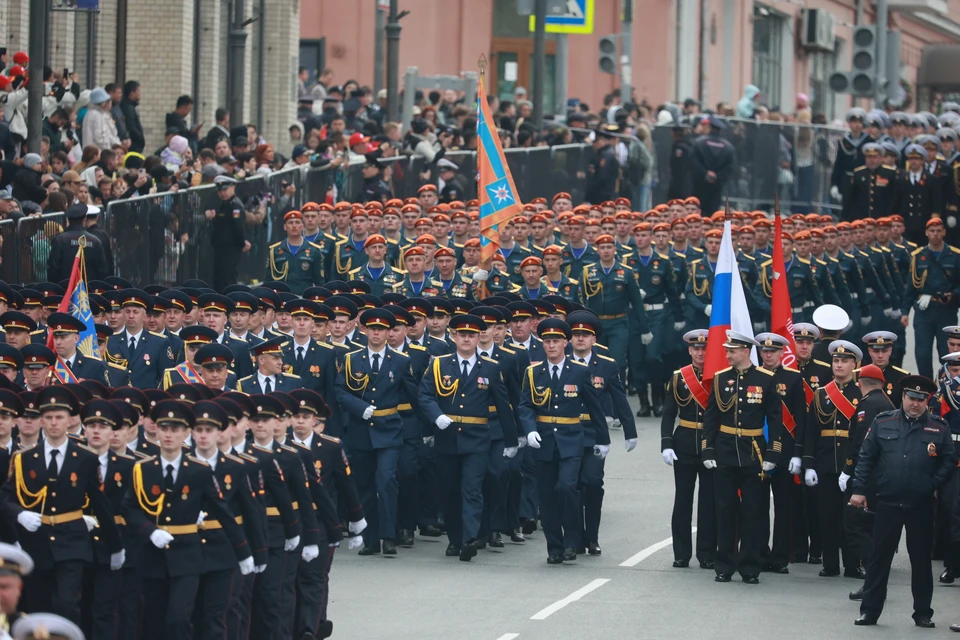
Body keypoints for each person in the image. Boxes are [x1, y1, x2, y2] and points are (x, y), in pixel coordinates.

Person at [123, 399, 254, 640]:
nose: (169, 435)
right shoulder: (142, 469)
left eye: (175, 430)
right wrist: (150, 531)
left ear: (185, 433)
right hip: (153, 555)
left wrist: (243, 551)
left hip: (187, 556)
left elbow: (222, 510)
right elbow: (130, 509)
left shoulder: (199, 470)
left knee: (179, 617)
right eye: (164, 429)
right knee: (153, 620)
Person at [1, 387, 124, 625]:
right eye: (48, 418)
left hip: (72, 543)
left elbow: (100, 505)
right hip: (36, 542)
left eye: (59, 417)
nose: (54, 423)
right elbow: (4, 498)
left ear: (69, 420)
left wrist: (115, 545)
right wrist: (20, 514)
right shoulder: (24, 458)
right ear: (41, 421)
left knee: (67, 603)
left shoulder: (85, 458)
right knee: (38, 605)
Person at [852, 375, 955, 628]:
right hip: (887, 501)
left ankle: (922, 613)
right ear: (903, 397)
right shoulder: (883, 421)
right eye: (911, 398)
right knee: (879, 559)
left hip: (920, 504)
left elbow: (948, 462)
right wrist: (859, 489)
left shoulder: (938, 427)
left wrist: (930, 485)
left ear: (927, 400)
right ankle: (870, 611)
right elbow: (866, 457)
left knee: (920, 561)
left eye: (921, 399)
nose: (915, 404)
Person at [417, 313, 518, 561]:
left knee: (472, 489)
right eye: (462, 334)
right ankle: (454, 538)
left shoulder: (491, 368)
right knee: (449, 490)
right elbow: (425, 395)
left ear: (478, 338)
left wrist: (512, 440)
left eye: (472, 335)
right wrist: (435, 417)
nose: (467, 339)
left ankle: (470, 538)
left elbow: (504, 406)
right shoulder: (439, 364)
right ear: (453, 336)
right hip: (447, 437)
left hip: (477, 438)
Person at [517, 318, 608, 564]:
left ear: (565, 343)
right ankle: (554, 547)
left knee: (567, 488)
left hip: (571, 440)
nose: (552, 345)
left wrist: (603, 440)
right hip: (543, 440)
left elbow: (594, 407)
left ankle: (572, 541)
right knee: (546, 495)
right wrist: (529, 429)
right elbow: (525, 404)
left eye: (556, 341)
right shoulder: (533, 372)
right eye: (547, 341)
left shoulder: (579, 371)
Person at [335, 308, 420, 556]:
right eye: (372, 329)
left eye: (381, 329)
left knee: (386, 481)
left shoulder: (401, 361)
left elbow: (414, 396)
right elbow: (340, 391)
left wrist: (428, 424)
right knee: (364, 485)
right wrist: (360, 408)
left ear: (387, 333)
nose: (376, 333)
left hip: (390, 430)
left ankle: (388, 535)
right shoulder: (352, 359)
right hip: (361, 430)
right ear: (365, 330)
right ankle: (371, 539)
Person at [702, 330, 783, 583]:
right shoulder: (719, 379)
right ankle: (724, 564)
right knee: (724, 511)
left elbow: (776, 419)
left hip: (753, 452)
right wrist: (708, 449)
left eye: (732, 351)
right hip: (725, 451)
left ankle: (750, 566)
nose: (727, 355)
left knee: (753, 512)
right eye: (727, 350)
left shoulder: (766, 379)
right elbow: (711, 418)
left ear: (746, 352)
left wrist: (773, 452)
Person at [566, 310, 637, 555]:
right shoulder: (561, 361)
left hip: (595, 433)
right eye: (575, 334)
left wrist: (630, 431)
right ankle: (573, 539)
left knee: (593, 482)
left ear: (594, 339)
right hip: (567, 431)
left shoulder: (606, 365)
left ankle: (592, 537)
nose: (580, 339)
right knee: (571, 485)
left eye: (586, 335)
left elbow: (619, 398)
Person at [803, 339, 864, 578]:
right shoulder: (821, 394)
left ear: (854, 364)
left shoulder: (860, 393)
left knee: (850, 517)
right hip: (826, 462)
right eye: (836, 361)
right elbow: (811, 431)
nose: (839, 365)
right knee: (826, 516)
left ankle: (852, 564)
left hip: (852, 464)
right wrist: (808, 464)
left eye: (844, 361)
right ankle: (830, 564)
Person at [661, 329, 716, 568]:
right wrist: (666, 443)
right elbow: (669, 413)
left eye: (704, 348)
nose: (700, 352)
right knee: (682, 501)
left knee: (709, 502)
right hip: (683, 443)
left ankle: (706, 553)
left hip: (711, 445)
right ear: (689, 350)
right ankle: (681, 553)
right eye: (696, 348)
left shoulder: (719, 376)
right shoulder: (679, 377)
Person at [841, 363, 895, 602]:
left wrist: (848, 469)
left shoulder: (868, 406)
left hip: (869, 476)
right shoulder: (886, 404)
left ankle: (875, 574)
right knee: (871, 526)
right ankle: (874, 580)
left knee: (855, 524)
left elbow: (861, 444)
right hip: (883, 475)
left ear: (860, 383)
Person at [754, 332, 805, 574]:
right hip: (757, 451)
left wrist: (797, 453)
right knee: (758, 506)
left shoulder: (794, 379)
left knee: (784, 508)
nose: (768, 355)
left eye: (773, 351)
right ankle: (761, 554)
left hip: (784, 452)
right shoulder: (753, 376)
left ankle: (781, 556)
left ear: (782, 352)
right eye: (764, 351)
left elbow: (800, 419)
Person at [900, 217, 960, 380]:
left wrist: (953, 294)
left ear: (944, 232)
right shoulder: (919, 256)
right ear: (926, 233)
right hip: (924, 310)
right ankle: (928, 389)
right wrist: (905, 311)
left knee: (946, 353)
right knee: (923, 354)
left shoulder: (954, 256)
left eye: (938, 231)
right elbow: (911, 286)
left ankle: (949, 386)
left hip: (946, 310)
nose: (935, 234)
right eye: (932, 231)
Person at [204, 176, 251, 293]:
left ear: (233, 187)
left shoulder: (235, 205)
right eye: (220, 191)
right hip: (222, 247)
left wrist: (242, 241)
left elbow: (238, 226)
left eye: (225, 190)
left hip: (230, 247)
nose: (222, 193)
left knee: (227, 278)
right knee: (220, 277)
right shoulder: (226, 203)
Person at [47, 203, 109, 284]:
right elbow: (102, 271)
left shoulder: (59, 240)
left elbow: (53, 270)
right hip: (89, 290)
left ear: (68, 220)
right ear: (84, 219)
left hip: (64, 290)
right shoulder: (95, 241)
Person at [689, 115, 735, 216]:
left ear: (709, 127)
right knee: (713, 213)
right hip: (717, 185)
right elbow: (730, 167)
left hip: (699, 184)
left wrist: (705, 172)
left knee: (698, 211)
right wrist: (717, 176)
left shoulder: (699, 142)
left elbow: (693, 162)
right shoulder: (728, 147)